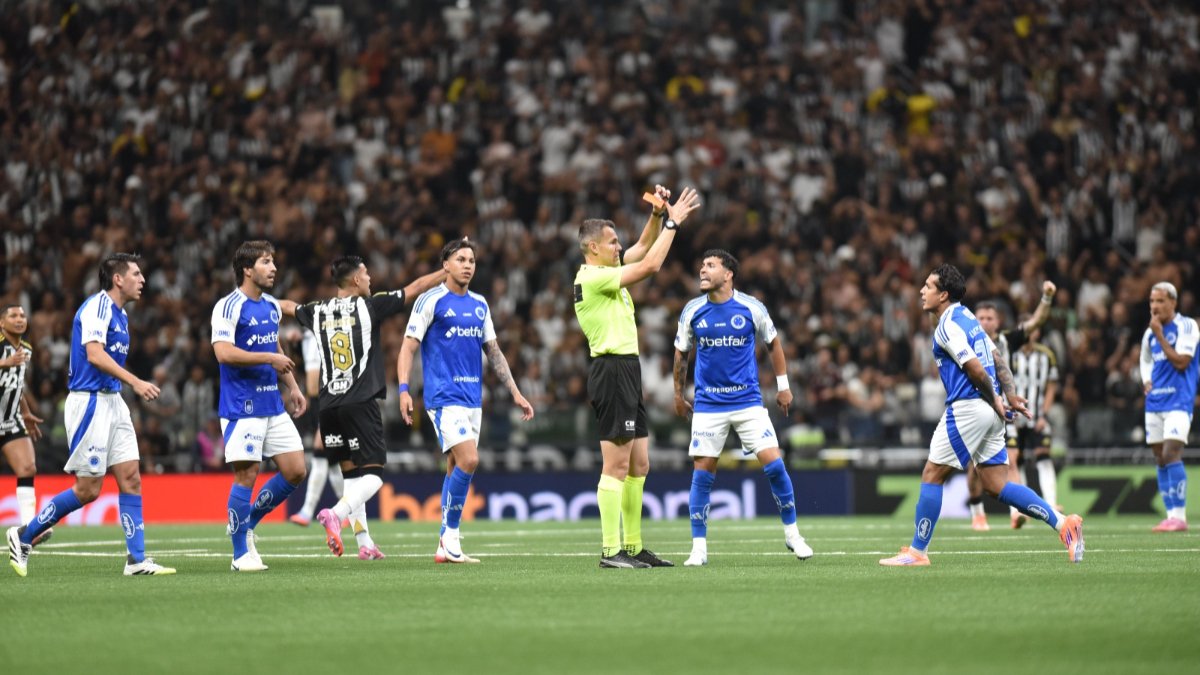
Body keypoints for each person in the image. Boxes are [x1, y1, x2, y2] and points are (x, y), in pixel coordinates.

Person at [879, 264, 1084, 566]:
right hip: (989, 411)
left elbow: (975, 368)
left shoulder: (948, 325)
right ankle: (1064, 524)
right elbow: (997, 358)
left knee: (932, 474)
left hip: (969, 407)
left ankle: (917, 552)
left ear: (943, 294)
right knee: (996, 485)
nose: (922, 291)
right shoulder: (969, 318)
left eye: (928, 286)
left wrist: (997, 399)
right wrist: (1008, 395)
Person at [7, 254, 175, 577]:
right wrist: (136, 382)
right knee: (88, 489)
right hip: (90, 402)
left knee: (131, 477)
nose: (142, 280)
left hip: (113, 401)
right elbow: (95, 355)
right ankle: (24, 536)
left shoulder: (121, 315)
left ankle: (136, 560)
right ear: (118, 279)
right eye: (136, 274)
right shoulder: (97, 307)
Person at [282, 254, 445, 559]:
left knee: (352, 477)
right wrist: (444, 271)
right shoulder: (370, 305)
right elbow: (414, 289)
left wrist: (256, 302)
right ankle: (335, 514)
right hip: (359, 403)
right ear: (356, 279)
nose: (370, 278)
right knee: (373, 474)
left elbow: (288, 307)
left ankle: (364, 543)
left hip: (328, 408)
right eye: (366, 273)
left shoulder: (317, 310)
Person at [573, 184, 701, 569]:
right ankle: (610, 551)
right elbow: (649, 266)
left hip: (628, 369)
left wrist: (657, 215)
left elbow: (642, 249)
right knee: (615, 465)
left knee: (639, 464)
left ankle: (632, 546)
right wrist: (673, 224)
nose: (619, 247)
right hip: (611, 370)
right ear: (592, 247)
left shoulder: (607, 269)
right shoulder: (592, 277)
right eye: (612, 242)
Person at [672, 250, 814, 566]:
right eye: (702, 265)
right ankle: (699, 548)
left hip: (748, 402)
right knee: (702, 474)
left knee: (775, 465)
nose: (702, 270)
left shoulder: (752, 307)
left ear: (728, 274)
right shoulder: (692, 311)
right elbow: (681, 353)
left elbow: (773, 343)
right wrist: (678, 395)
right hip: (708, 405)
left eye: (710, 265)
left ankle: (792, 534)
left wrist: (783, 386)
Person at [398, 238, 534, 564]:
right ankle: (452, 537)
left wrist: (515, 392)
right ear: (445, 265)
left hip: (473, 399)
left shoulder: (480, 304)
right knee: (470, 460)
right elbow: (407, 346)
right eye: (460, 259)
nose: (467, 265)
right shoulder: (431, 300)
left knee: (455, 466)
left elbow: (494, 351)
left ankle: (443, 545)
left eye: (471, 260)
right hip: (444, 398)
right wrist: (403, 389)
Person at [212, 241, 308, 572]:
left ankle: (248, 522)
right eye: (266, 262)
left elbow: (274, 346)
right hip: (242, 405)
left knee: (296, 470)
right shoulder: (228, 306)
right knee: (247, 474)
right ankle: (240, 554)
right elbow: (223, 352)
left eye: (273, 262)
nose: (274, 268)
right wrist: (269, 358)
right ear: (247, 269)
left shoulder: (270, 306)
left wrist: (293, 386)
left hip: (273, 404)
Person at [967, 281, 1056, 530]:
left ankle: (1016, 513)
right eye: (981, 318)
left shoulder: (1006, 341)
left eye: (989, 318)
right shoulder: (964, 341)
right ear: (974, 320)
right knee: (974, 468)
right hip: (973, 411)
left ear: (997, 322)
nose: (985, 322)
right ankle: (977, 513)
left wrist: (1047, 297)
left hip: (1002, 412)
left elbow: (1036, 322)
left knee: (1012, 459)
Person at [1139, 282, 1197, 532]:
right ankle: (1170, 515)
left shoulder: (1187, 326)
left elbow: (1182, 362)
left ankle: (1179, 517)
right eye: (1152, 301)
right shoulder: (1149, 333)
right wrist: (1146, 379)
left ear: (1173, 302)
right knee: (1160, 458)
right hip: (1155, 402)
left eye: (1160, 301)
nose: (1155, 306)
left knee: (1172, 452)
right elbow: (1144, 358)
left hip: (1178, 401)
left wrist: (1160, 335)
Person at [286, 324, 345, 527]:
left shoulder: (327, 334)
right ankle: (348, 510)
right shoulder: (307, 337)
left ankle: (307, 510)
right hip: (316, 403)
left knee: (320, 450)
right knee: (332, 460)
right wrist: (294, 342)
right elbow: (298, 365)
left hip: (331, 400)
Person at [0, 305, 48, 542]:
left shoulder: (26, 349)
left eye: (22, 315)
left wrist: (26, 412)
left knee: (28, 468)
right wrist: (3, 363)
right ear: (2, 323)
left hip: (9, 420)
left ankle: (29, 530)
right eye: (13, 316)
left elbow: (17, 384)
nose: (19, 319)